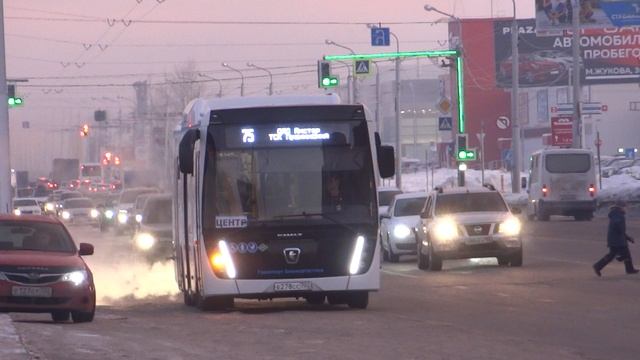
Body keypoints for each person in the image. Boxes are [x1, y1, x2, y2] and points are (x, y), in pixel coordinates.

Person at [593, 200, 639, 276]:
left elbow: (620, 229)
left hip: (618, 239)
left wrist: (627, 238)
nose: (626, 209)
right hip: (616, 240)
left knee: (625, 253)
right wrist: (625, 235)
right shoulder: (617, 214)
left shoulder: (618, 213)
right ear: (621, 207)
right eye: (625, 207)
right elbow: (617, 224)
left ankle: (629, 268)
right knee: (613, 255)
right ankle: (597, 266)